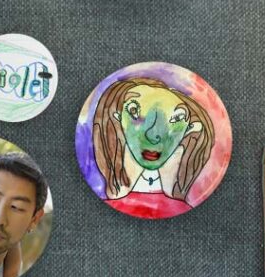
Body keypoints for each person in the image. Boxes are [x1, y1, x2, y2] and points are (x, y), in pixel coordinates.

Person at [90, 75, 214, 218]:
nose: (153, 135)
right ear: (117, 117)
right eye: (133, 111)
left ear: (191, 128)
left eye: (177, 118)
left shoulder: (180, 204)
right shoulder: (112, 200)